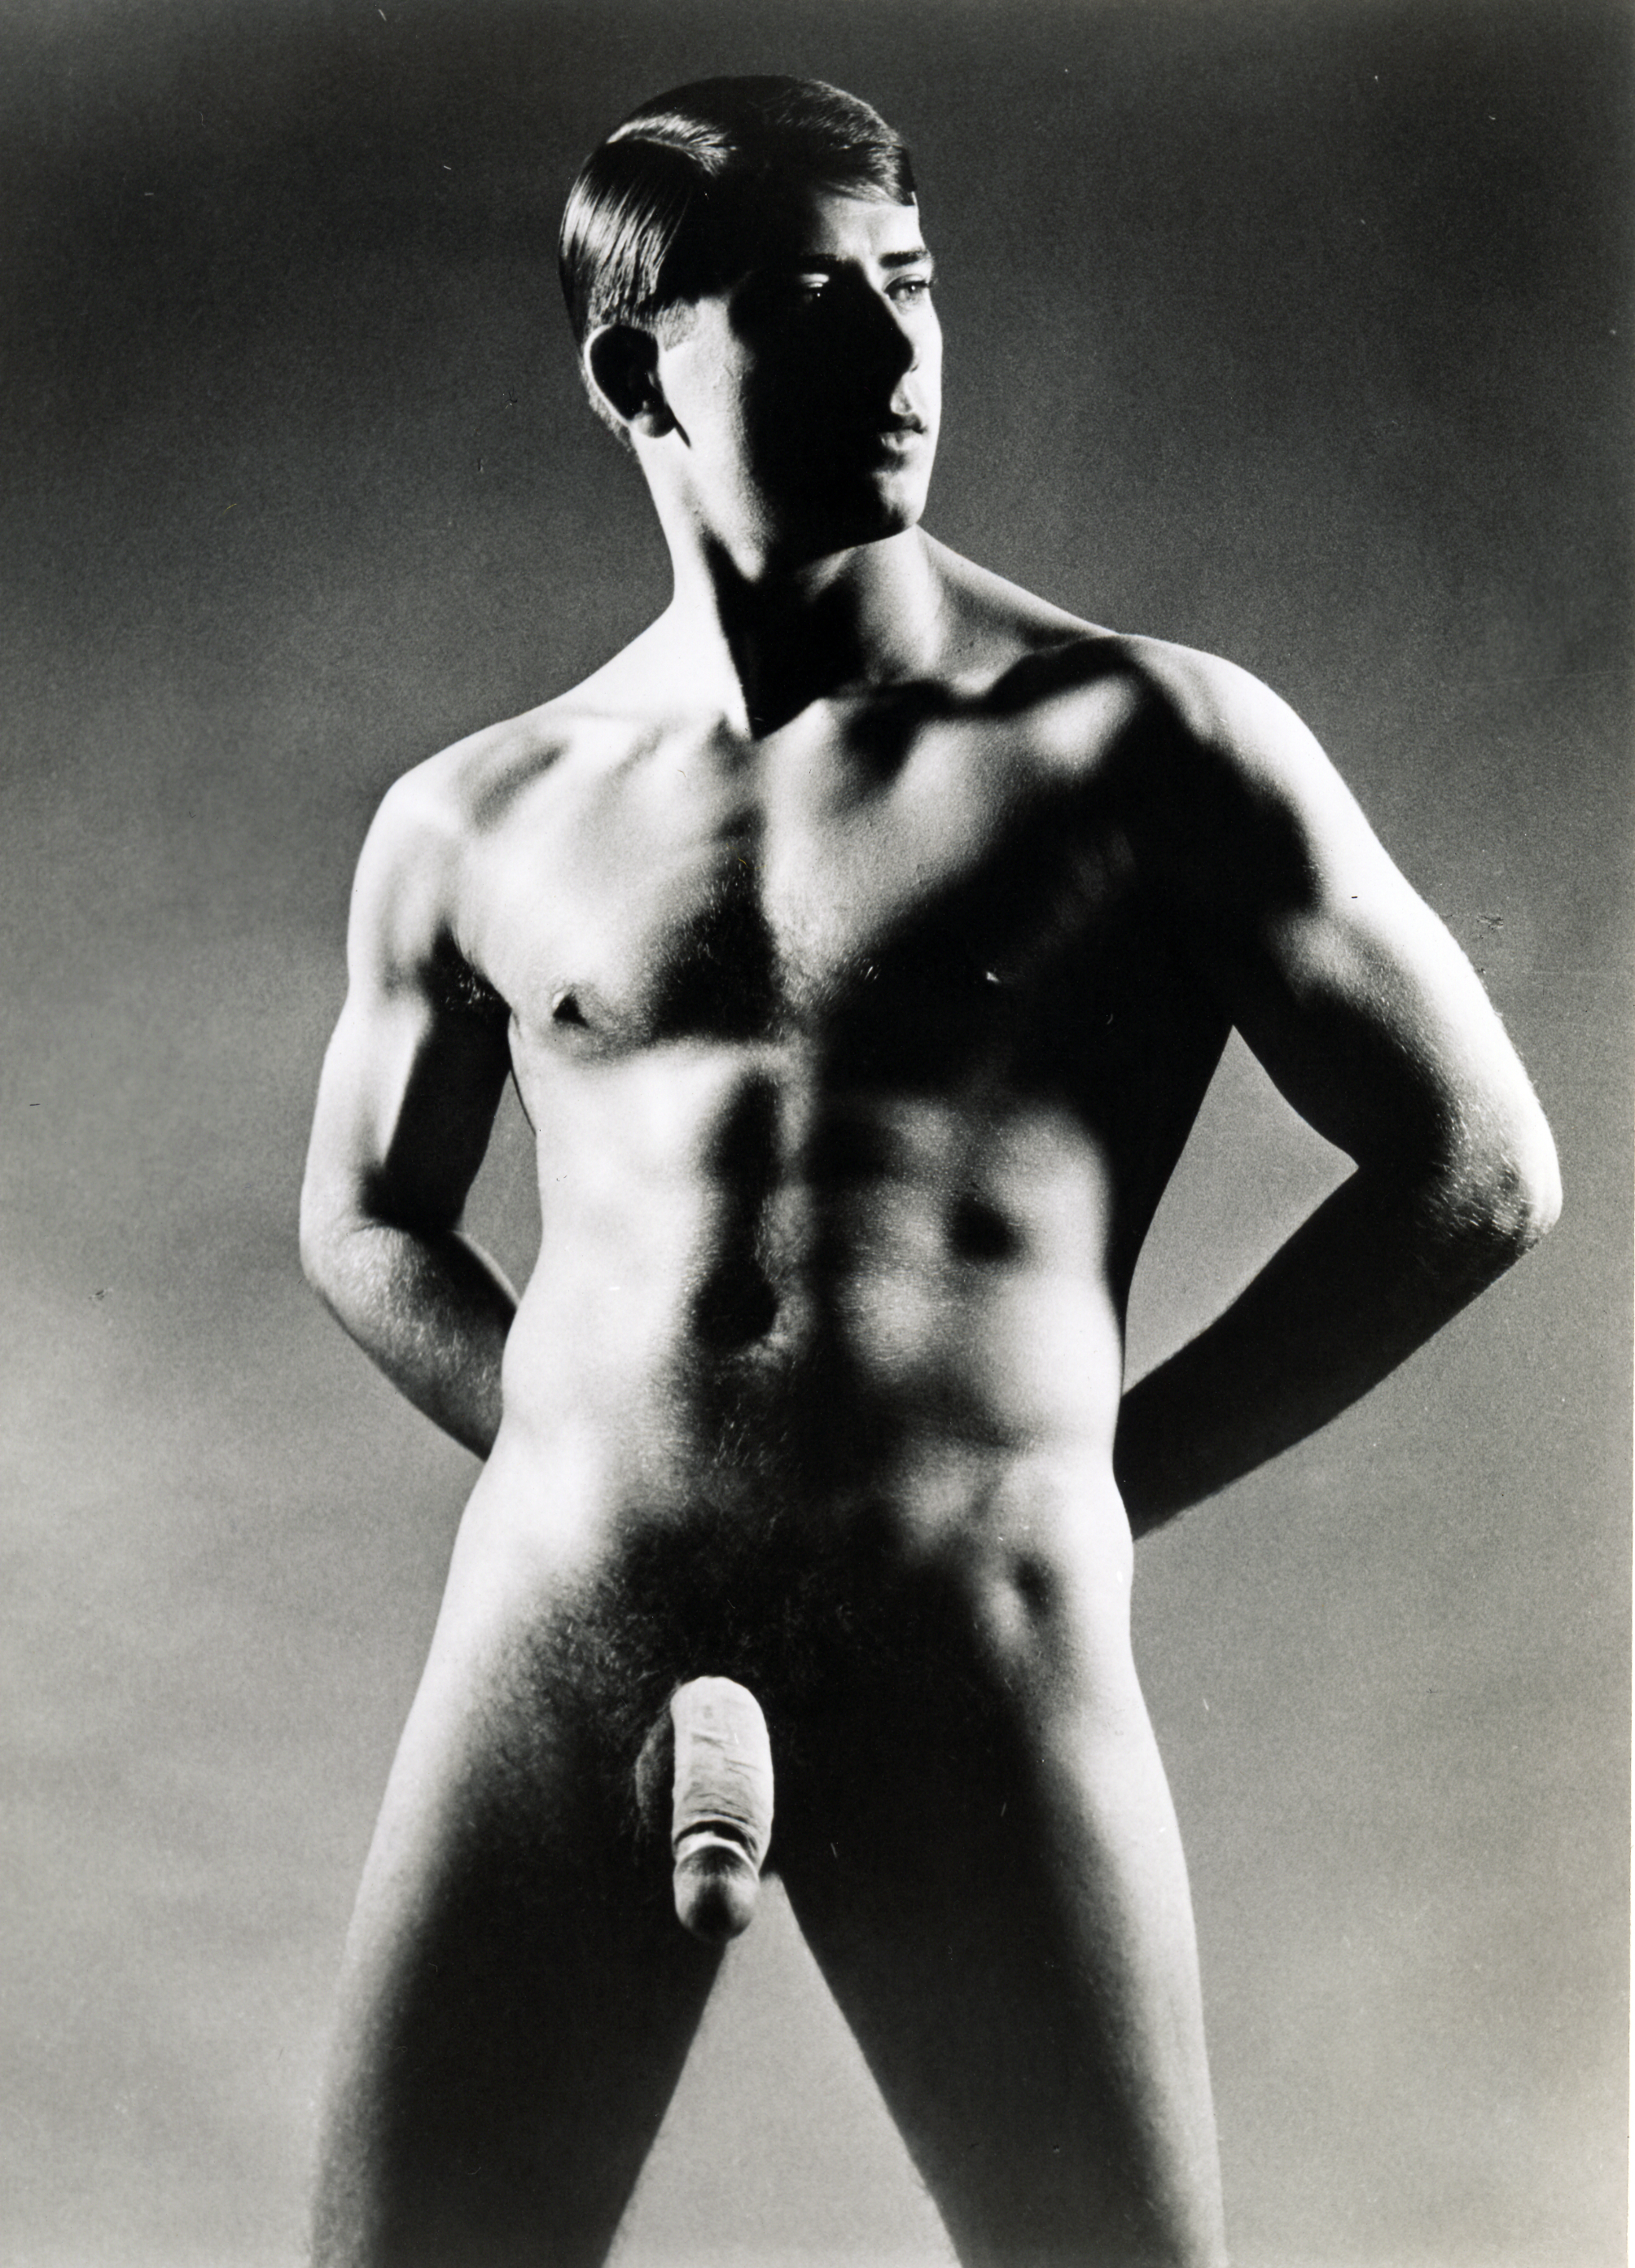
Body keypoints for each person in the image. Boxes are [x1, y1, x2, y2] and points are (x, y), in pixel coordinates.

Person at [298, 76, 1560, 2268]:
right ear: (638, 374)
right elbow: (365, 1214)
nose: (897, 353)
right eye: (815, 304)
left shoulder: (1143, 742)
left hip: (968, 1621)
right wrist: (590, 1458)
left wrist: (1097, 1480)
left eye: (913, 285)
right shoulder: (481, 816)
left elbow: (1476, 1166)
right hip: (575, 1627)